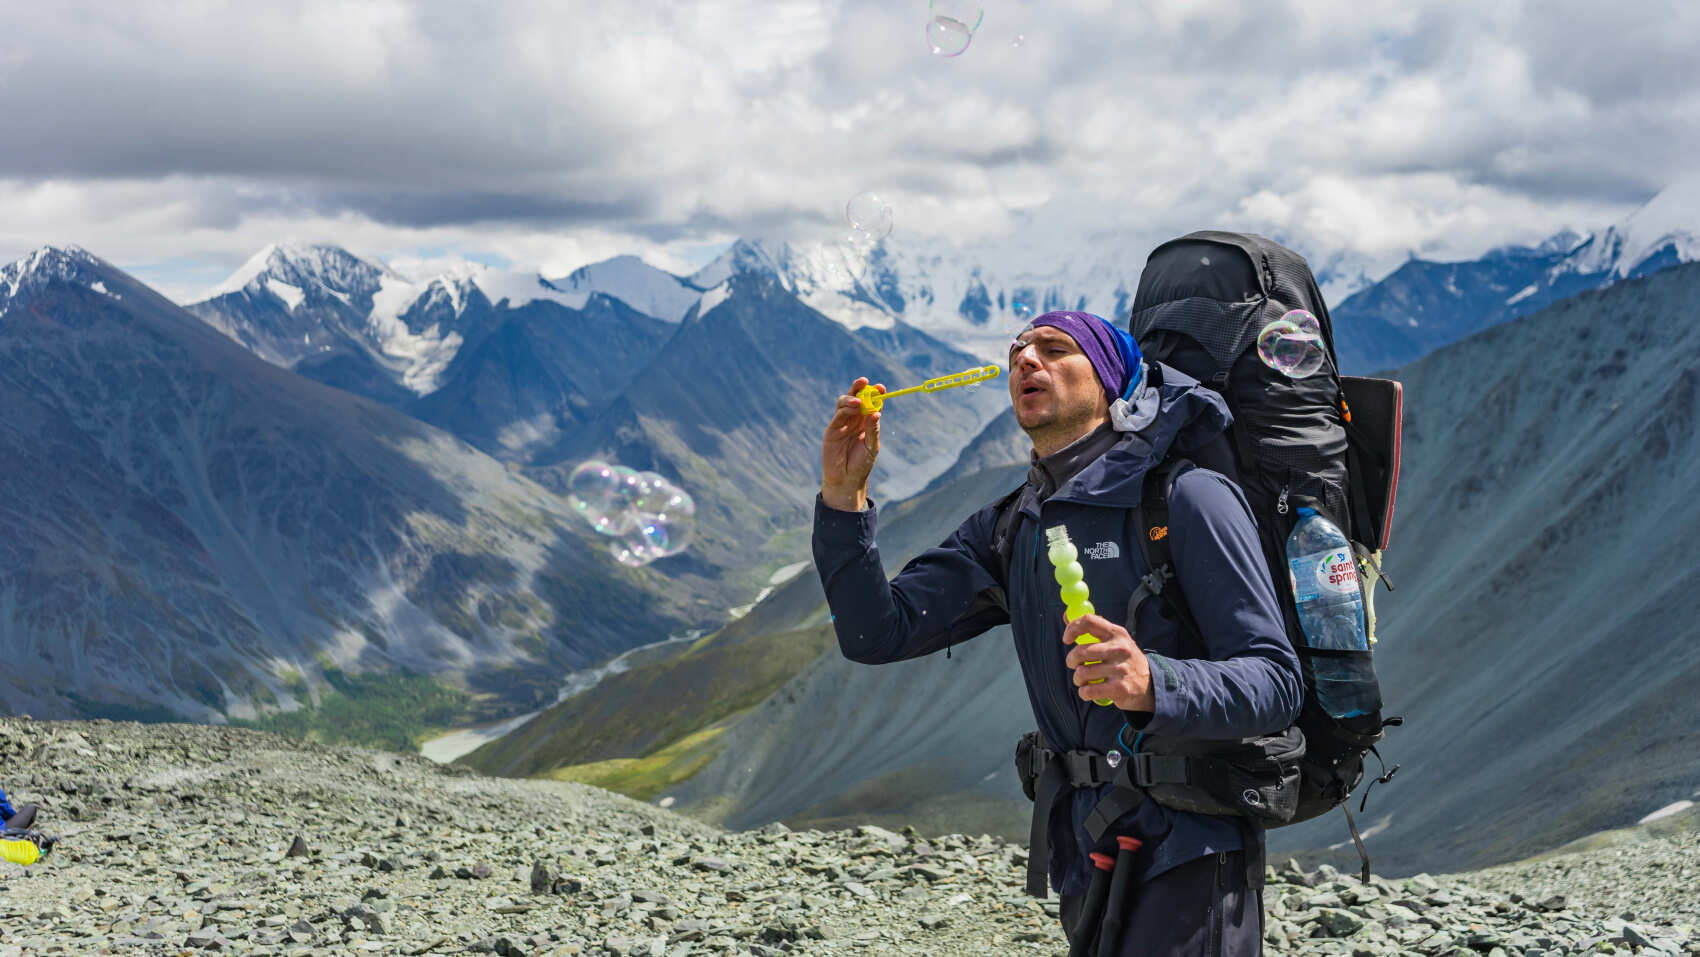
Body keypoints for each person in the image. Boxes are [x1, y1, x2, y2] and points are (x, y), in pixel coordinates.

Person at [813, 311, 1303, 955]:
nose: (1025, 360)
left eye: (1055, 349)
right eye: (1017, 351)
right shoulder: (1012, 525)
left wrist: (1157, 680)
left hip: (1192, 844)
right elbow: (877, 632)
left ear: (1111, 382)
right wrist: (842, 499)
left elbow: (1276, 681)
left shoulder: (1186, 499)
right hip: (1086, 846)